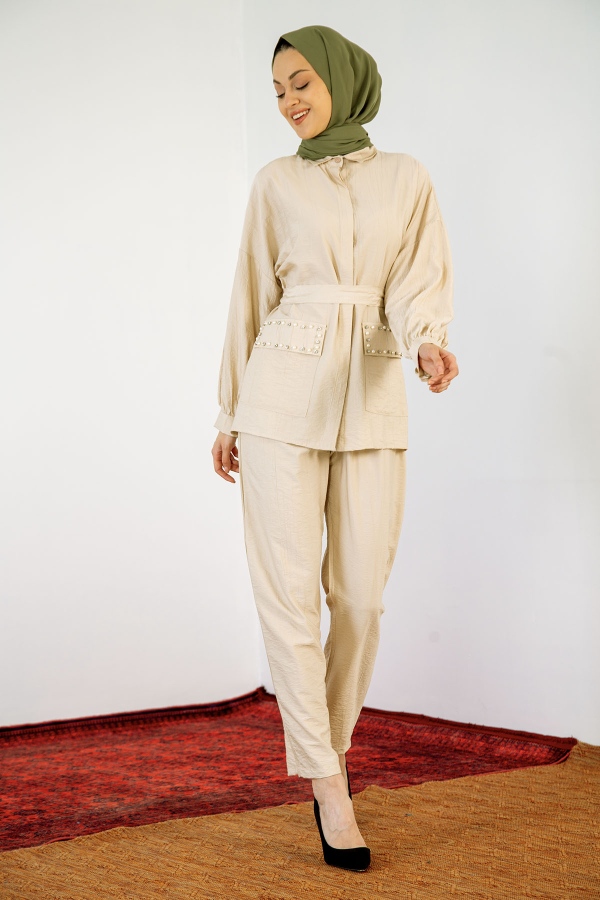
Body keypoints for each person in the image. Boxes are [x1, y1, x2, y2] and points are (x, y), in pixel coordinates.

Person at [211, 24, 458, 872]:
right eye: (278, 90)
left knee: (359, 599)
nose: (289, 102)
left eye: (302, 82)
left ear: (343, 80)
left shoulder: (407, 177)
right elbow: (249, 293)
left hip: (374, 393)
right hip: (277, 398)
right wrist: (227, 410)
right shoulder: (275, 182)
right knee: (288, 598)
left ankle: (330, 750)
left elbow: (418, 278)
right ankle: (327, 782)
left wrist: (428, 340)